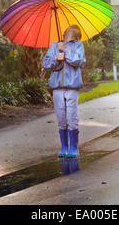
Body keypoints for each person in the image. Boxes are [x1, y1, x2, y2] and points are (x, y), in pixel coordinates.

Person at [43, 25, 86, 158]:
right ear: (63, 34)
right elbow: (46, 64)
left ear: (77, 37)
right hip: (57, 87)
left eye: (74, 36)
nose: (70, 37)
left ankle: (73, 147)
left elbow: (78, 61)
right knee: (61, 117)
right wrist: (57, 57)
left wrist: (65, 51)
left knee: (71, 116)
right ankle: (64, 146)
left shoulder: (78, 46)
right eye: (68, 34)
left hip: (72, 86)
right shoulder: (54, 46)